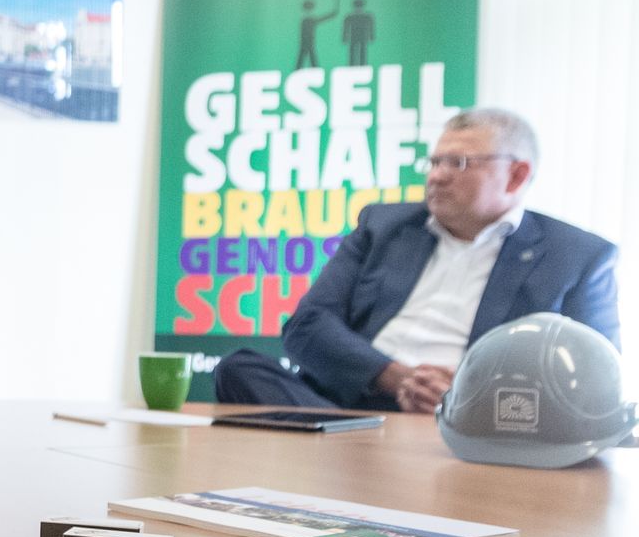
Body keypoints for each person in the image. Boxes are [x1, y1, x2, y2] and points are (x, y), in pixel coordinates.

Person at [214, 108, 620, 414]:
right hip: (349, 403)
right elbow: (307, 325)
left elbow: (595, 381)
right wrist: (395, 378)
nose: (437, 176)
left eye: (458, 163)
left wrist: (465, 394)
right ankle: (354, 444)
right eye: (435, 162)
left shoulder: (577, 256)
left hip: (466, 419)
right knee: (240, 368)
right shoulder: (382, 225)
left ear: (516, 175)